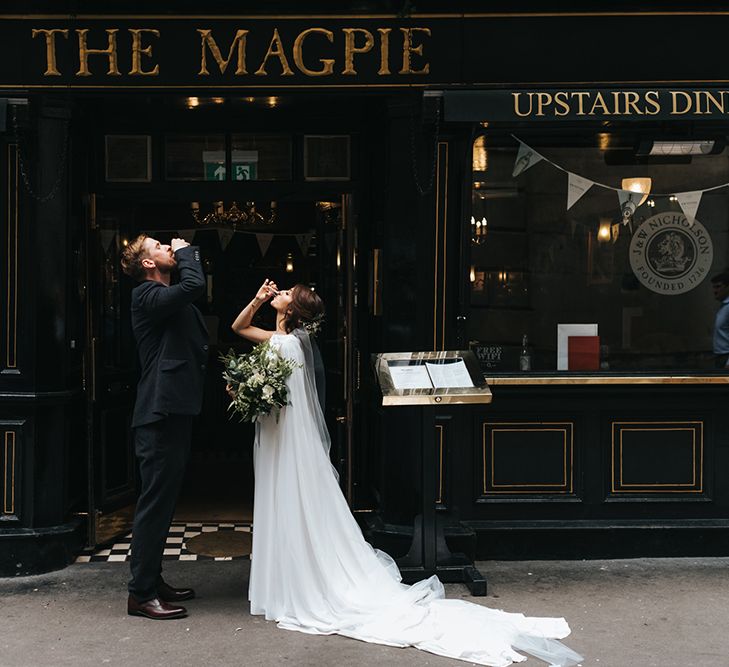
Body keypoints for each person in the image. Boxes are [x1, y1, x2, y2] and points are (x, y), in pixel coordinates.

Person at [231, 280, 583, 667]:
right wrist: (260, 299)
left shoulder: (285, 344)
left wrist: (243, 391)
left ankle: (293, 585)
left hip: (284, 443)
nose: (277, 292)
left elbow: (244, 339)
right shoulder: (291, 342)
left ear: (292, 310)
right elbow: (241, 327)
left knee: (290, 504)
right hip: (288, 441)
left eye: (284, 294)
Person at [120, 235, 209, 620]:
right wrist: (188, 252)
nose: (169, 249)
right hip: (157, 415)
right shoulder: (145, 295)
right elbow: (194, 285)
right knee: (154, 505)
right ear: (147, 264)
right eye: (160, 246)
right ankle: (140, 593)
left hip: (174, 410)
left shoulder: (167, 300)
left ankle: (152, 581)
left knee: (164, 503)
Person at [711, 270, 729, 369]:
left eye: (718, 287)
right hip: (720, 357)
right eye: (713, 287)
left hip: (726, 357)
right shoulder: (724, 306)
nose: (714, 291)